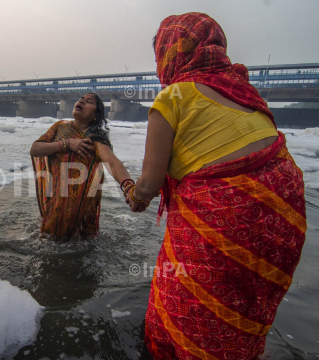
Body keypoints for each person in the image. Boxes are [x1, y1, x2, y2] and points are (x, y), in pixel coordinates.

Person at [125, 13, 307, 359]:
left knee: (190, 306)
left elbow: (148, 184)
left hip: (224, 216)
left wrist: (134, 195)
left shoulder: (172, 98)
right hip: (282, 213)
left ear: (169, 54)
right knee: (241, 303)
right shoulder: (245, 95)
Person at [30, 93, 135, 241]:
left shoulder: (95, 138)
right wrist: (67, 144)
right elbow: (35, 149)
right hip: (56, 205)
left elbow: (111, 162)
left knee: (80, 245)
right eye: (81, 99)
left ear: (95, 115)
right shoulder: (59, 127)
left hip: (82, 212)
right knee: (49, 241)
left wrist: (128, 186)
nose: (81, 101)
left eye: (89, 101)